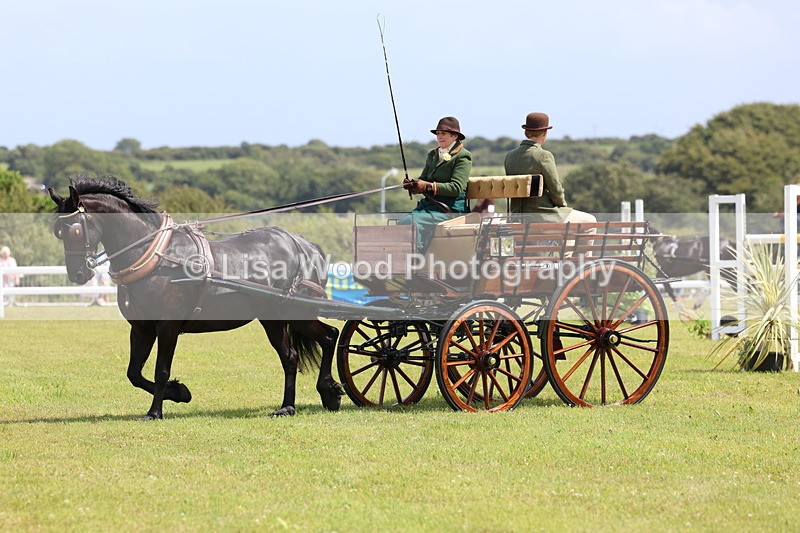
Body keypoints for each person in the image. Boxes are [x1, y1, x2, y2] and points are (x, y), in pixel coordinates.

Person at [505, 112, 596, 225]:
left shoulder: (510, 156)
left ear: (526, 131)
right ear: (544, 133)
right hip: (542, 215)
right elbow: (555, 188)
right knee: (591, 221)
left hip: (516, 216)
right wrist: (562, 206)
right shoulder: (544, 156)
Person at [399, 116, 473, 253]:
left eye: (443, 133)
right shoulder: (432, 155)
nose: (439, 137)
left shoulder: (463, 156)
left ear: (454, 136)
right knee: (402, 222)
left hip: (450, 209)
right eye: (438, 134)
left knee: (410, 222)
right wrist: (413, 185)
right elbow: (423, 179)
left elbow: (456, 188)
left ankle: (417, 263)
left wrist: (428, 186)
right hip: (430, 206)